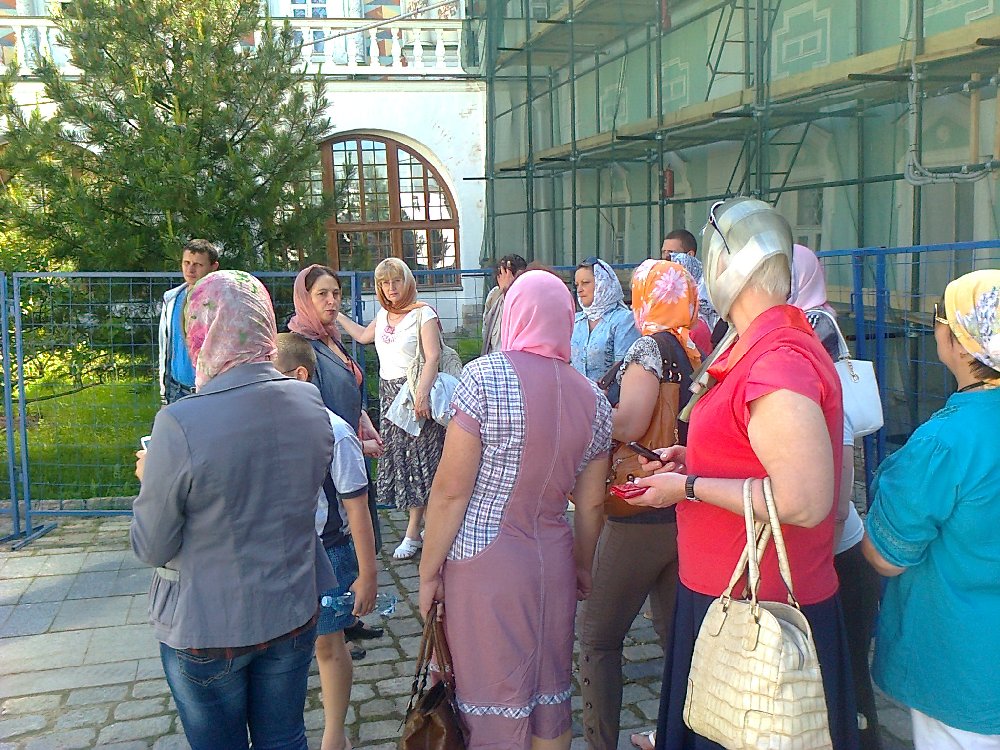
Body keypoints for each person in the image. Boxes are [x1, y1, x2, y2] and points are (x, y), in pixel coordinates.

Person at [625, 197, 859, 750]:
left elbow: (804, 500)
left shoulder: (777, 360)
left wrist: (688, 487)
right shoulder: (759, 345)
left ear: (727, 266)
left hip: (761, 612)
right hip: (733, 595)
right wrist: (694, 461)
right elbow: (753, 454)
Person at [132, 270, 335, 750]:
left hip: (208, 624)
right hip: (291, 606)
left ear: (200, 329)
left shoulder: (180, 421)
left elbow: (151, 545)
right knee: (285, 738)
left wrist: (151, 480)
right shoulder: (308, 399)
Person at [418, 269, 612, 750]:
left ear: (513, 314)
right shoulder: (594, 399)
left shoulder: (484, 378)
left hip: (485, 565)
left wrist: (428, 572)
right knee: (550, 695)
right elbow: (591, 503)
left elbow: (450, 492)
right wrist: (582, 566)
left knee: (489, 699)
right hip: (554, 560)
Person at [862, 269, 1000, 750]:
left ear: (961, 342)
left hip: (966, 667)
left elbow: (886, 557)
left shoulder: (946, 441)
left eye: (941, 316)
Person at [577, 259, 701, 749]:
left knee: (598, 638)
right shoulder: (694, 346)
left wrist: (587, 408)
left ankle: (600, 742)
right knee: (675, 640)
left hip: (640, 504)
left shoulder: (649, 347)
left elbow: (629, 423)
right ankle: (677, 737)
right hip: (682, 505)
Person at [789, 243, 883, 750]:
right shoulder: (815, 327)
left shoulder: (815, 336)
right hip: (827, 551)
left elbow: (838, 501)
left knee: (843, 689)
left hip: (835, 556)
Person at [273, 333, 378, 750]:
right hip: (277, 552)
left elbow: (357, 507)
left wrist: (368, 574)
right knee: (283, 650)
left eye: (270, 375)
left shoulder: (336, 431)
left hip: (328, 553)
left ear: (299, 375)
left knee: (329, 645)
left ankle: (334, 735)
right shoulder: (262, 427)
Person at [288, 265, 386, 653]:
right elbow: (311, 411)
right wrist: (354, 443)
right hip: (328, 457)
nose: (331, 301)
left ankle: (348, 618)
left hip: (348, 445)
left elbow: (350, 388)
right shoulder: (301, 345)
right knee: (340, 531)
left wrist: (363, 422)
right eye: (322, 294)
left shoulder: (330, 337)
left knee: (356, 529)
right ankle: (333, 631)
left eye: (336, 293)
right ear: (305, 298)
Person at [336, 257, 446, 560]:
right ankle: (426, 527)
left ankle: (413, 533)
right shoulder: (384, 314)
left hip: (412, 396)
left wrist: (421, 394)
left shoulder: (423, 314)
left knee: (420, 462)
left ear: (407, 281)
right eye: (384, 283)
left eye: (396, 280)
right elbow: (362, 336)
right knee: (403, 462)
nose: (391, 287)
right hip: (389, 397)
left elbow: (433, 356)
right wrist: (337, 316)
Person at [158, 239, 219, 403]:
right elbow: (165, 347)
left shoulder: (221, 301)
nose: (190, 269)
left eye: (198, 265)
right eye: (186, 263)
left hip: (210, 392)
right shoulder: (171, 299)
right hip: (177, 391)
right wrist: (164, 394)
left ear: (213, 267)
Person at [571, 257, 640, 380]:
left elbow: (623, 368)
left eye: (585, 283)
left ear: (602, 283)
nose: (580, 290)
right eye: (577, 285)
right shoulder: (575, 320)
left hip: (611, 392)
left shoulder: (624, 319)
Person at [481, 254, 528, 355]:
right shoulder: (494, 295)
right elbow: (486, 329)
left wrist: (509, 290)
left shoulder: (528, 296)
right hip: (495, 355)